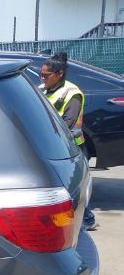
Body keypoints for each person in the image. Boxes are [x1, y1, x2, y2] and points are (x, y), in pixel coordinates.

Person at [40, 52, 98, 230]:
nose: (42, 78)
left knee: (74, 186)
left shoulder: (72, 93)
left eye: (46, 75)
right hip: (54, 145)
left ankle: (87, 219)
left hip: (73, 148)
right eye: (41, 74)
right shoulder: (43, 89)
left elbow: (67, 123)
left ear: (59, 74)